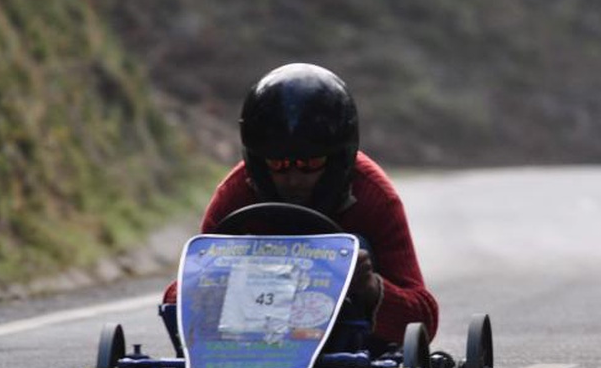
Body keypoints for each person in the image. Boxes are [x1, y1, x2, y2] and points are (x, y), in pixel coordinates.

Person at [163, 63, 438, 348]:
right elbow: (177, 297)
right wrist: (216, 278)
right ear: (259, 161)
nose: (294, 179)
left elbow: (424, 317)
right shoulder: (235, 195)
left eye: (310, 164)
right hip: (249, 339)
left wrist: (370, 287)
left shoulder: (374, 196)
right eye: (278, 164)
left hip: (347, 347)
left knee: (359, 245)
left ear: (338, 159)